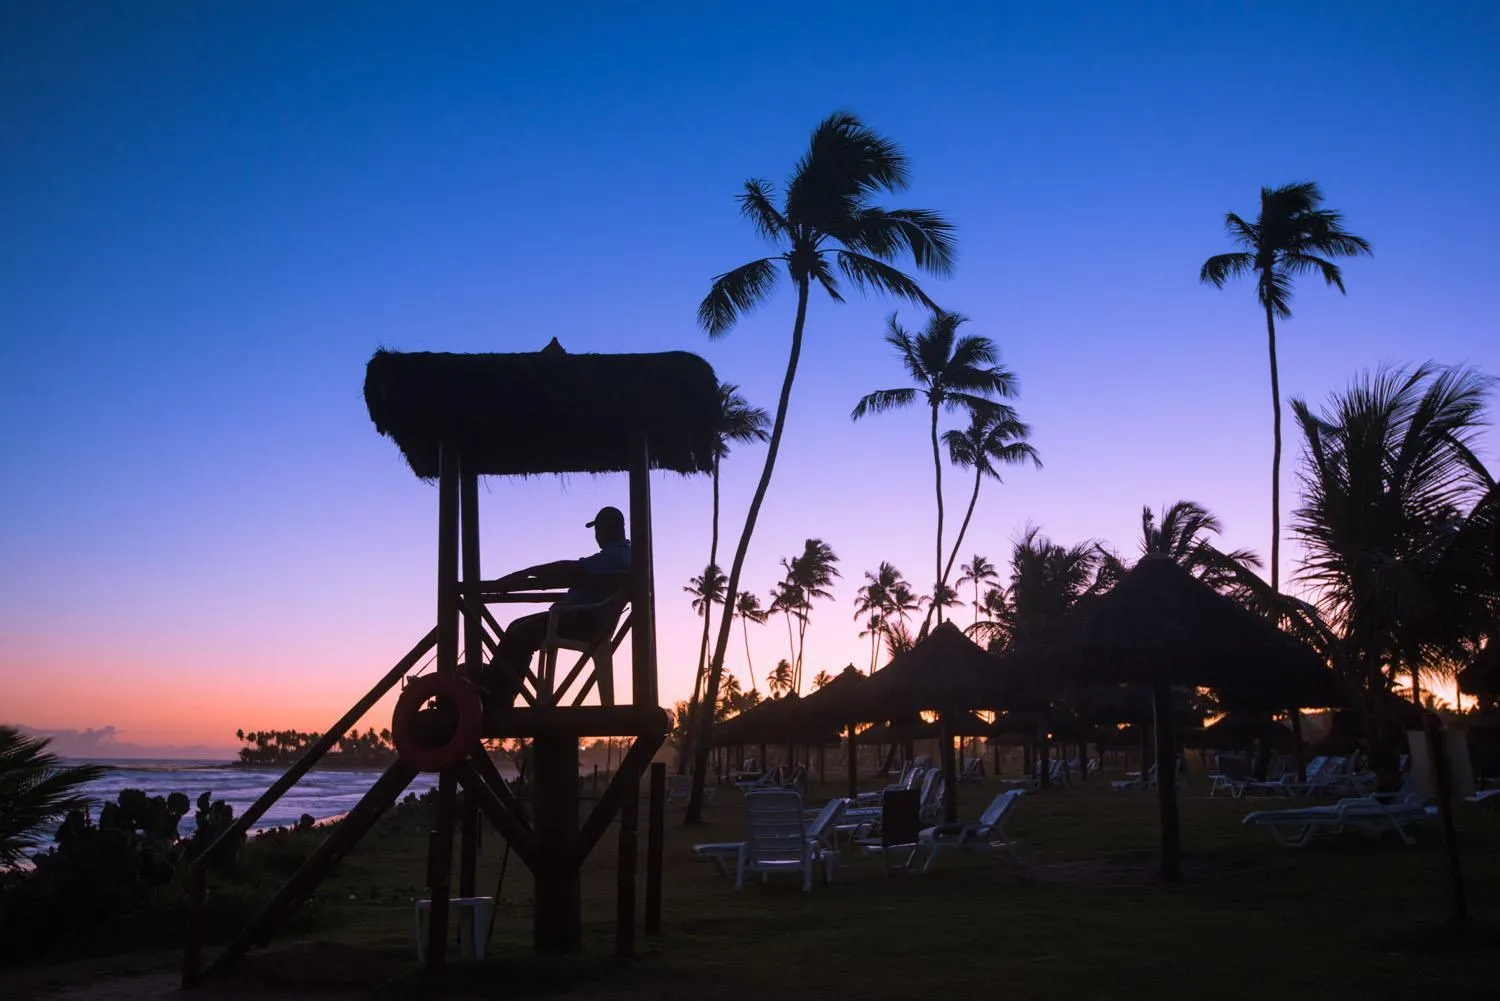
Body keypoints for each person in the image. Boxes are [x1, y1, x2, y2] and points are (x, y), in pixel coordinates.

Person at [478, 506, 631, 704]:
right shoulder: (622, 554)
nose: (596, 535)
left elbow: (571, 568)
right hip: (585, 618)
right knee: (517, 627)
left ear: (608, 529)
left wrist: (529, 572)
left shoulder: (615, 556)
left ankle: (496, 696)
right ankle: (498, 690)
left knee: (520, 633)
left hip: (584, 622)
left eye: (598, 529)